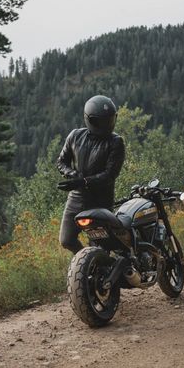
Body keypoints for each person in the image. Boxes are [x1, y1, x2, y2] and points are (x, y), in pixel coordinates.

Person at [57, 95, 125, 254]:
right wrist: (71, 174)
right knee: (66, 240)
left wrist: (83, 181)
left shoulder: (116, 142)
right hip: (76, 198)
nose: (107, 124)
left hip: (101, 200)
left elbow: (110, 175)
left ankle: (103, 271)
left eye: (110, 119)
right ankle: (86, 263)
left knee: (101, 246)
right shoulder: (75, 136)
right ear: (91, 120)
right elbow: (61, 161)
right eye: (103, 121)